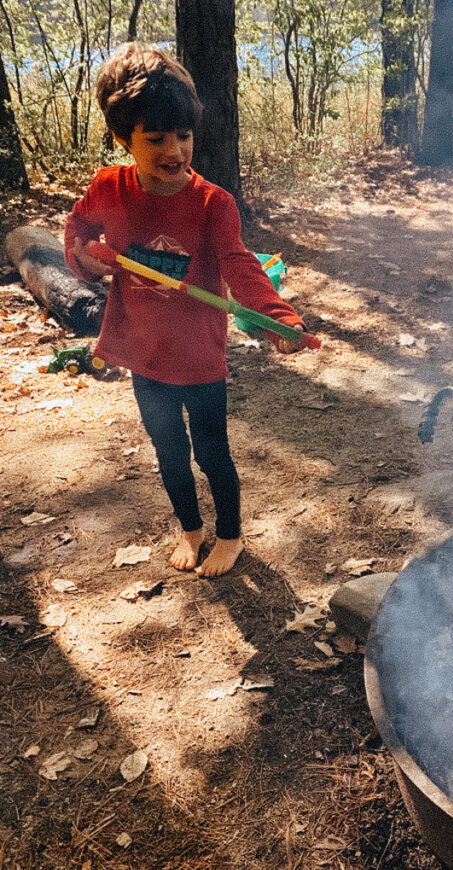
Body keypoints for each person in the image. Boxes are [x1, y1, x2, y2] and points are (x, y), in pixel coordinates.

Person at [65, 43, 316, 577]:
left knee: (211, 453)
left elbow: (241, 265)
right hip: (144, 354)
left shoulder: (213, 203)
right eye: (155, 138)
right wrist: (87, 259)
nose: (174, 149)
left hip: (200, 359)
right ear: (123, 138)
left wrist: (281, 318)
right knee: (169, 454)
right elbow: (79, 229)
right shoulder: (109, 188)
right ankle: (190, 528)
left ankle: (230, 535)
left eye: (183, 135)